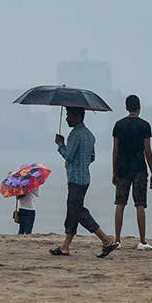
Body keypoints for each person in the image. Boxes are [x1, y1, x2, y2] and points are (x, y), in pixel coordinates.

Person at [49, 107, 119, 258]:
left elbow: (68, 156)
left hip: (75, 179)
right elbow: (92, 157)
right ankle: (65, 247)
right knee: (73, 211)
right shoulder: (90, 135)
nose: (67, 118)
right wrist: (81, 162)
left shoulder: (75, 135)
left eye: (69, 115)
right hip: (85, 178)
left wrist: (60, 144)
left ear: (78, 116)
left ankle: (106, 240)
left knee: (78, 211)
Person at [112, 94, 152, 250]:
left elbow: (115, 150)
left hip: (122, 168)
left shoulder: (118, 125)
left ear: (126, 107)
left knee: (120, 203)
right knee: (140, 204)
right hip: (139, 168)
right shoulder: (145, 126)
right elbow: (148, 151)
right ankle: (142, 241)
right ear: (139, 107)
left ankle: (117, 240)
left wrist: (114, 171)